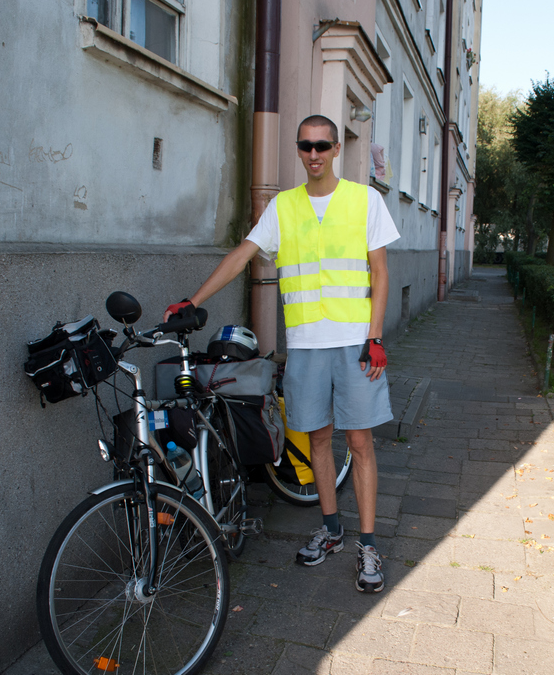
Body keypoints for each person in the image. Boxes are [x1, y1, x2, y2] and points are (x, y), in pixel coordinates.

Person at [165, 115, 399, 593]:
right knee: (317, 440)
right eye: (305, 146)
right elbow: (242, 254)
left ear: (336, 149)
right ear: (299, 150)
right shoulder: (283, 207)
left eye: (322, 146)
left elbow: (380, 272)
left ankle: (368, 544)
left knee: (360, 443)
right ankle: (331, 531)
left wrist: (375, 337)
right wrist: (194, 299)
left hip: (355, 342)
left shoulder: (364, 200)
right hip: (307, 345)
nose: (313, 154)